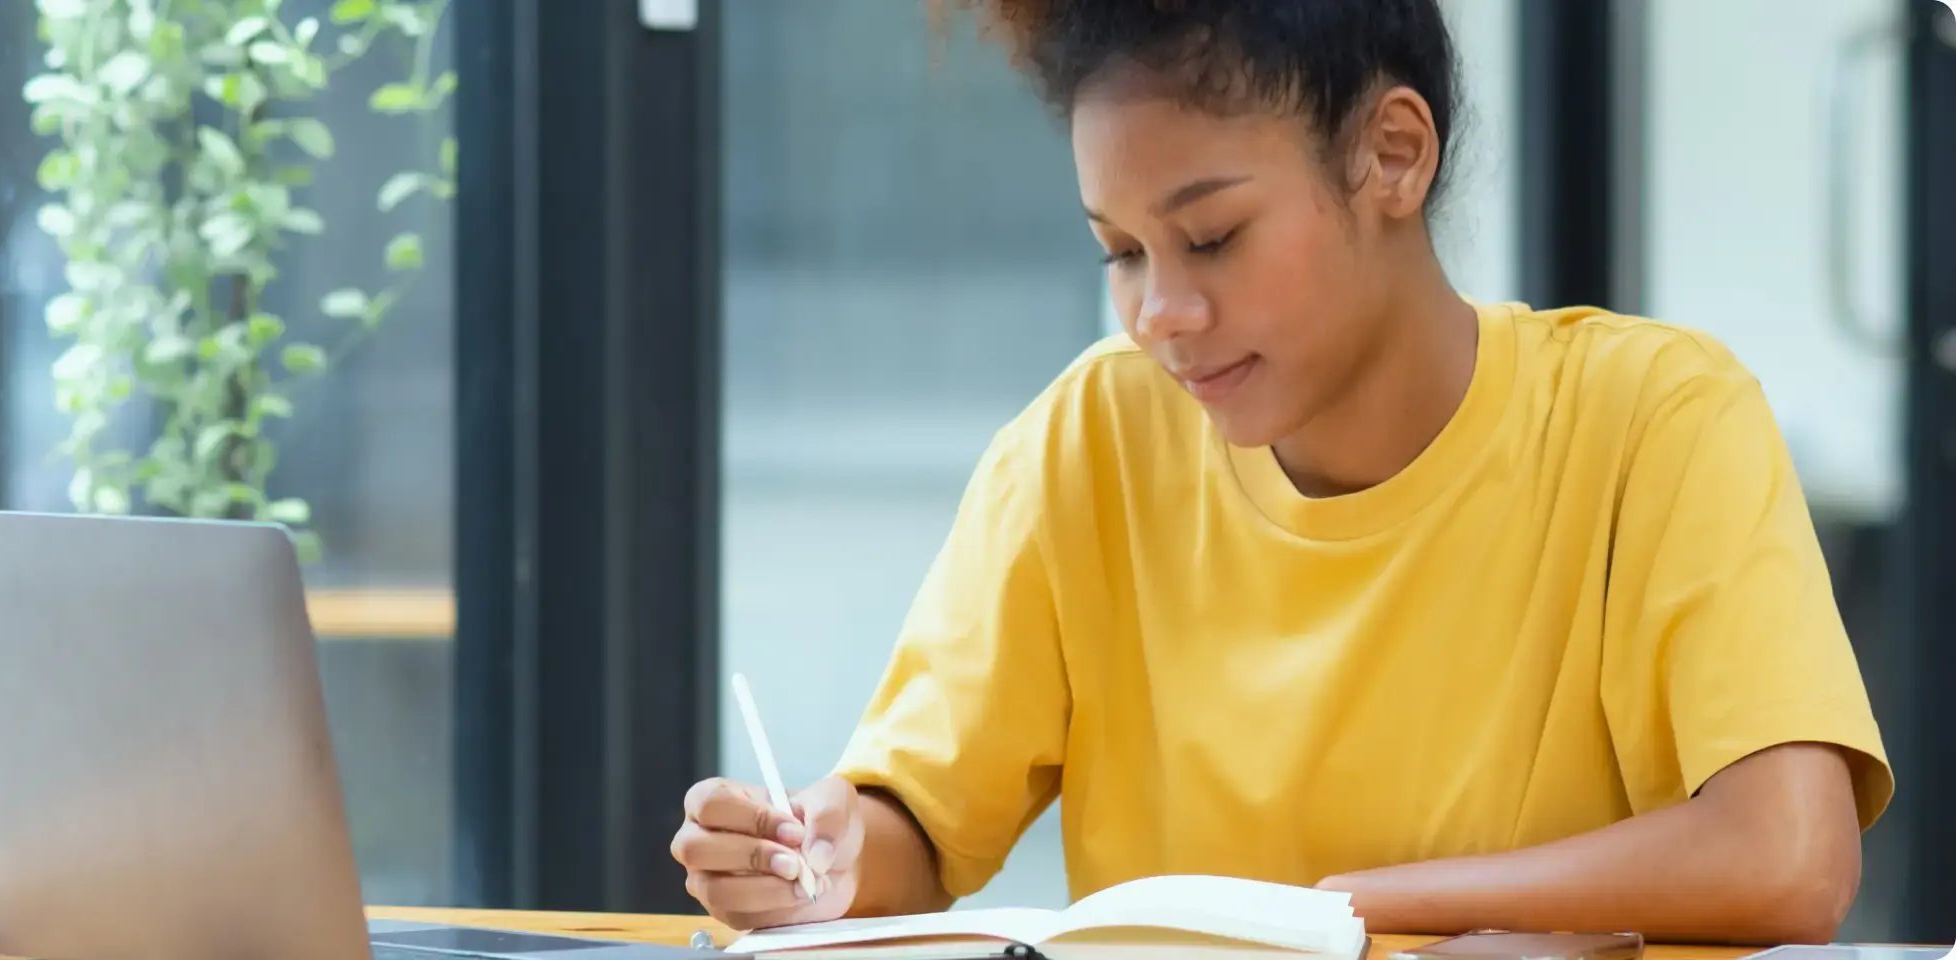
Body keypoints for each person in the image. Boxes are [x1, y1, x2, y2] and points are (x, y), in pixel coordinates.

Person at [670, 0, 1893, 944]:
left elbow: (1789, 857)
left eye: (1210, 237)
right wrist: (822, 856)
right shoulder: (1089, 445)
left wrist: (1350, 915)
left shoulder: (1654, 422)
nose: (1162, 311)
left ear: (1392, 157)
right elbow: (918, 831)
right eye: (1122, 252)